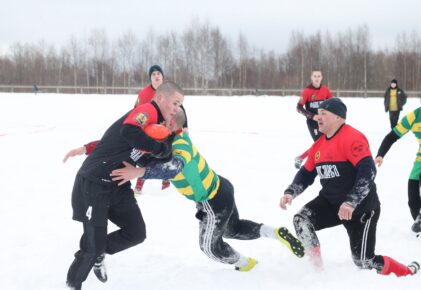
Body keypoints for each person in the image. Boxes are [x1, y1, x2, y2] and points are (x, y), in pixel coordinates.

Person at [110, 110, 305, 272]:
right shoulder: (169, 141)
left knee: (209, 247)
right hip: (221, 187)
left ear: (170, 125)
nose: (158, 122)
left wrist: (139, 172)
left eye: (163, 120)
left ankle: (247, 266)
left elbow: (173, 166)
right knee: (233, 229)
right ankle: (275, 233)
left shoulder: (180, 145)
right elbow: (153, 154)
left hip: (212, 200)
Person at [64, 81, 184, 290]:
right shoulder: (147, 110)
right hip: (94, 184)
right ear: (161, 98)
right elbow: (128, 132)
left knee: (136, 232)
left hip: (119, 185)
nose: (177, 109)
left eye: (180, 105)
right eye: (175, 103)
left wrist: (160, 154)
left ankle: (99, 253)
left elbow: (122, 146)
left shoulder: (157, 130)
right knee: (92, 247)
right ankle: (73, 284)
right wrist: (159, 150)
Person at [280, 98, 419, 276]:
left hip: (361, 208)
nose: (317, 117)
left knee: (364, 261)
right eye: (318, 113)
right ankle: (315, 269)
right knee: (302, 219)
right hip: (332, 204)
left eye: (324, 113)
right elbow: (306, 174)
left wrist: (351, 202)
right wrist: (291, 192)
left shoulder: (353, 138)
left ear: (339, 118)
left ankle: (407, 271)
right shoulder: (318, 146)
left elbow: (367, 172)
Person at [375, 107, 421, 234]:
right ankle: (418, 219)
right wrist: (380, 155)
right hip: (420, 161)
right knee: (413, 196)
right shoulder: (414, 116)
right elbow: (391, 137)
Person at [133, 64, 171, 194]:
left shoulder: (169, 91)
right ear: (150, 78)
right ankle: (139, 186)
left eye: (158, 74)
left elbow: (178, 109)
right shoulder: (144, 94)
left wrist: (182, 126)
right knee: (145, 157)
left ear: (162, 77)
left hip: (165, 129)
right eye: (153, 74)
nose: (156, 76)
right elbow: (136, 111)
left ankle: (165, 184)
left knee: (165, 154)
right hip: (148, 129)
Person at [294, 69, 333, 169]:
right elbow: (298, 108)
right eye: (315, 76)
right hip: (312, 123)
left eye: (318, 76)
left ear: (321, 77)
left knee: (325, 142)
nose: (317, 78)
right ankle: (306, 160)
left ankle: (303, 158)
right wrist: (312, 116)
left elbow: (333, 103)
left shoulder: (325, 90)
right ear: (311, 78)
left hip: (325, 122)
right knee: (320, 142)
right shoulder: (307, 91)